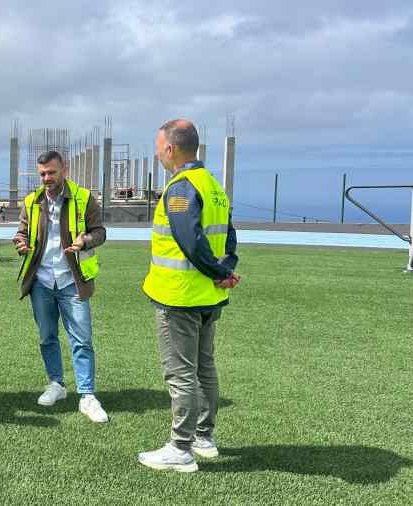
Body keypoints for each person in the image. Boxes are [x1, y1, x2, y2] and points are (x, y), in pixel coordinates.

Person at [137, 119, 240, 472]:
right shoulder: (212, 185)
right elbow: (229, 237)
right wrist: (225, 271)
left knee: (181, 373)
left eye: (158, 147)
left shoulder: (181, 187)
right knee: (205, 367)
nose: (157, 154)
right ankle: (203, 438)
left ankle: (180, 448)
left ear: (170, 149)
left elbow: (190, 240)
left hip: (180, 297)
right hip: (208, 296)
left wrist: (218, 273)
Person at [13, 150, 109, 423]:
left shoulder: (83, 198)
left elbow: (100, 232)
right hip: (41, 281)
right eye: (42, 174)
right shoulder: (31, 201)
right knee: (47, 337)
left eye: (51, 172)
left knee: (82, 339)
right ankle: (56, 384)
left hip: (72, 280)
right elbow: (21, 231)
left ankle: (87, 395)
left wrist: (86, 241)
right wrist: (20, 243)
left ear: (64, 169)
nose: (46, 178)